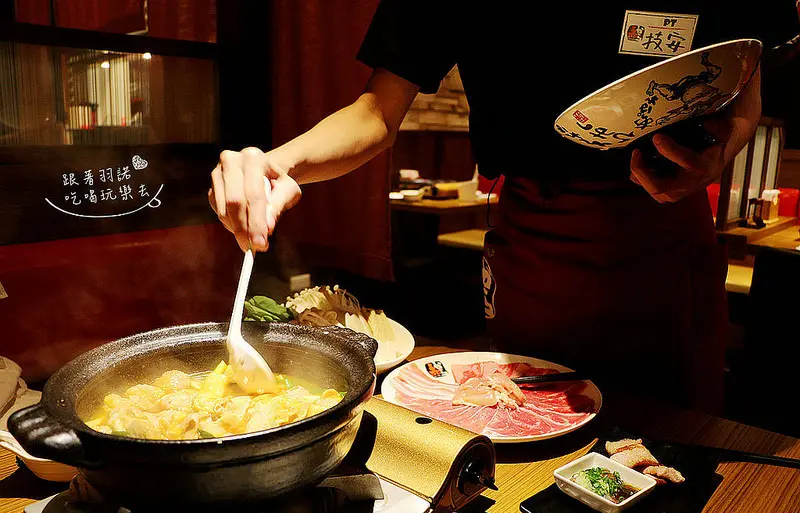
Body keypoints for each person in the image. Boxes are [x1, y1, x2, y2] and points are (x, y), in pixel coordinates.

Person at [209, 2, 799, 414]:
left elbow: (746, 70)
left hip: (664, 236)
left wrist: (724, 149)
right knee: (524, 438)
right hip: (532, 237)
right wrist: (275, 163)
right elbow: (377, 112)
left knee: (674, 453)